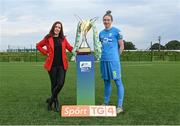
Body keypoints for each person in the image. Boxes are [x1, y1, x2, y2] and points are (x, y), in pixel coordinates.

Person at [36, 21, 73, 112]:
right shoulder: (48, 38)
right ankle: (56, 103)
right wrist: (46, 52)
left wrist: (80, 51)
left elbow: (70, 48)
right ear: (53, 27)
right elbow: (38, 45)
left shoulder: (63, 39)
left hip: (62, 65)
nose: (57, 28)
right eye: (56, 27)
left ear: (61, 29)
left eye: (59, 27)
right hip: (52, 65)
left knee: (60, 83)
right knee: (54, 84)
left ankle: (50, 100)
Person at [99, 10, 125, 114]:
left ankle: (120, 106)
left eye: (108, 20)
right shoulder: (101, 33)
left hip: (113, 61)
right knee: (106, 82)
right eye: (104, 20)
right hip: (104, 60)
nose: (106, 21)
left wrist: (116, 57)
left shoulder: (117, 31)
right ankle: (106, 103)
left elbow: (121, 45)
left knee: (118, 81)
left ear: (111, 20)